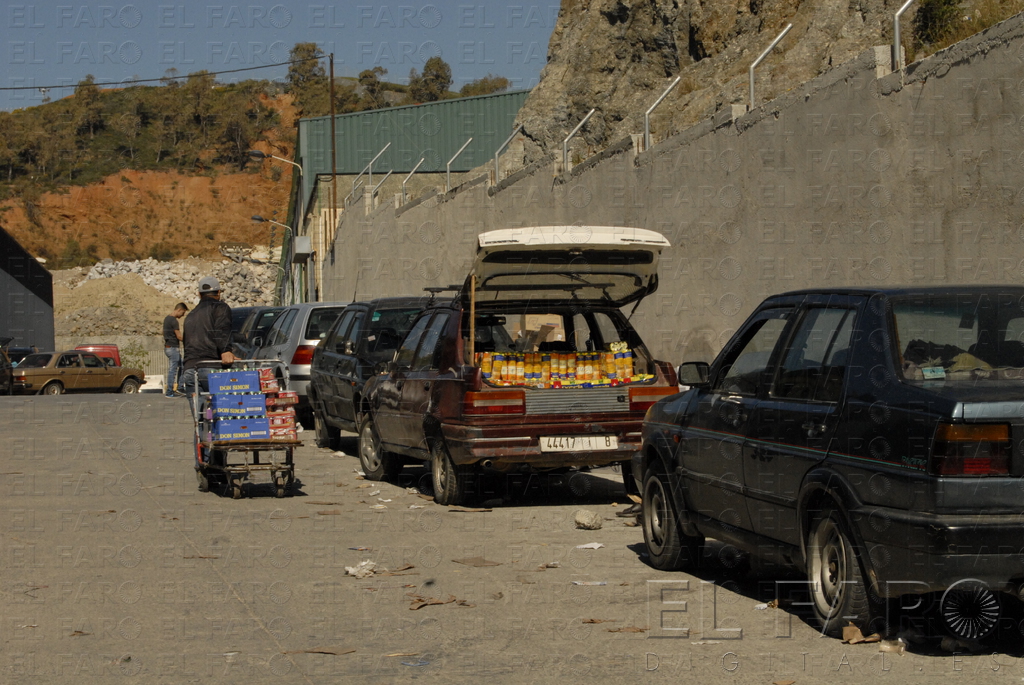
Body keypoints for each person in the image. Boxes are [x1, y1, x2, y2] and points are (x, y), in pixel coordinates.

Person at [182, 276, 236, 471]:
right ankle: (217, 465)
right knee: (219, 418)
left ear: (199, 294)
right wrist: (226, 350)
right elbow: (221, 330)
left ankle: (202, 465)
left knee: (200, 420)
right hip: (211, 369)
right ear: (219, 292)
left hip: (190, 371)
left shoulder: (191, 315)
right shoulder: (220, 308)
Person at [163, 302, 188, 398]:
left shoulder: (167, 319)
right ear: (179, 310)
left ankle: (180, 387)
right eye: (183, 312)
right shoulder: (173, 321)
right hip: (173, 349)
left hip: (168, 347)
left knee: (181, 365)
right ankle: (170, 391)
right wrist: (189, 340)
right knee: (173, 370)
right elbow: (179, 336)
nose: (183, 315)